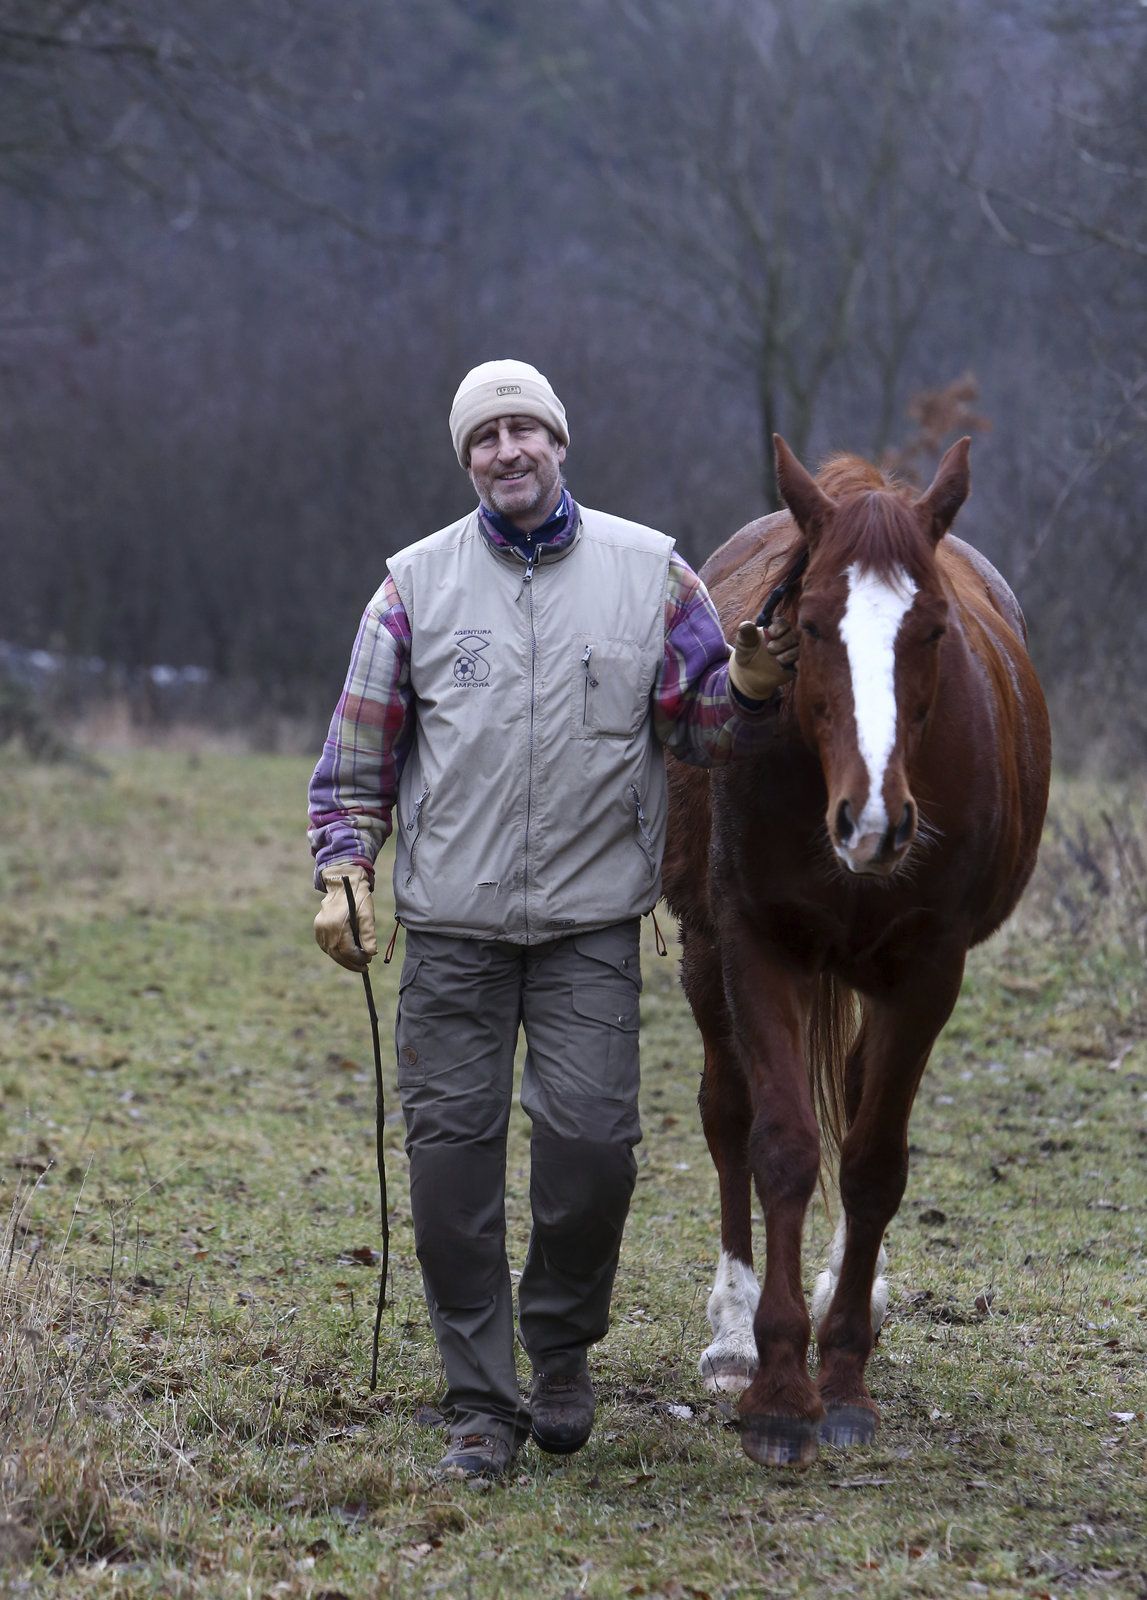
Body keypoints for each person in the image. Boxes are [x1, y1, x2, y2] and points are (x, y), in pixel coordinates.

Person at [307, 360, 797, 1480]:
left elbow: (704, 731)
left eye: (524, 429)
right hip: (450, 933)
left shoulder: (652, 576)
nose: (506, 450)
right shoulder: (411, 588)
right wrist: (344, 869)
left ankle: (562, 1348)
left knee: (592, 1155)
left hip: (587, 928)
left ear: (558, 442)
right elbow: (354, 756)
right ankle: (481, 1402)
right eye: (485, 437)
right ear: (467, 458)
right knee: (450, 1180)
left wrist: (755, 692)